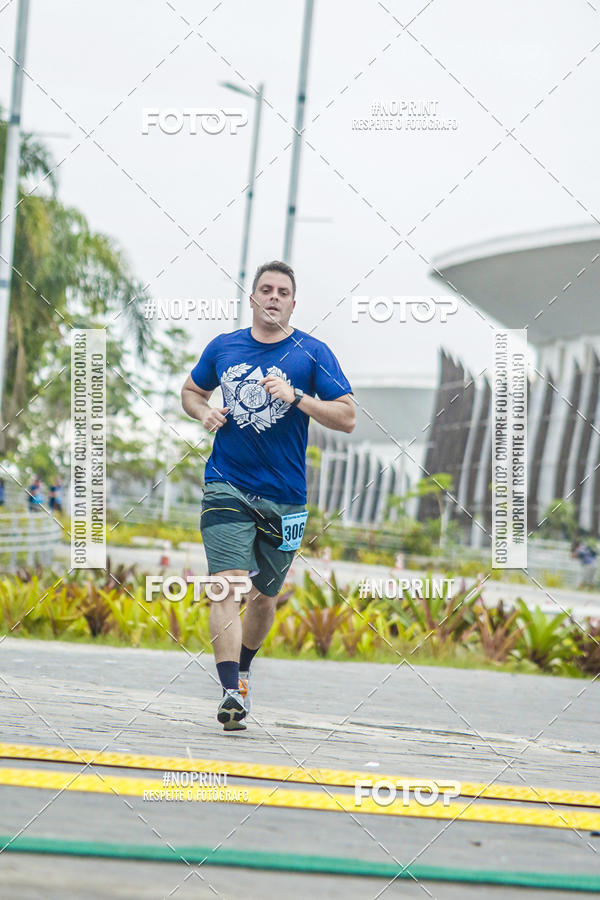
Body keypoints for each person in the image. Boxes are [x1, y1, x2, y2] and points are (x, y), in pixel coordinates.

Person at [181, 260, 355, 730]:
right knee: (228, 585)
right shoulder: (224, 347)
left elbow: (347, 417)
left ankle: (243, 671)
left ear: (293, 303)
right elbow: (190, 391)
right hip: (227, 482)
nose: (273, 297)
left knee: (263, 598)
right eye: (266, 289)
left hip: (286, 497)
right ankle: (229, 691)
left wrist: (296, 397)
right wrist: (203, 413)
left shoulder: (312, 353)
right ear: (253, 298)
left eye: (283, 292)